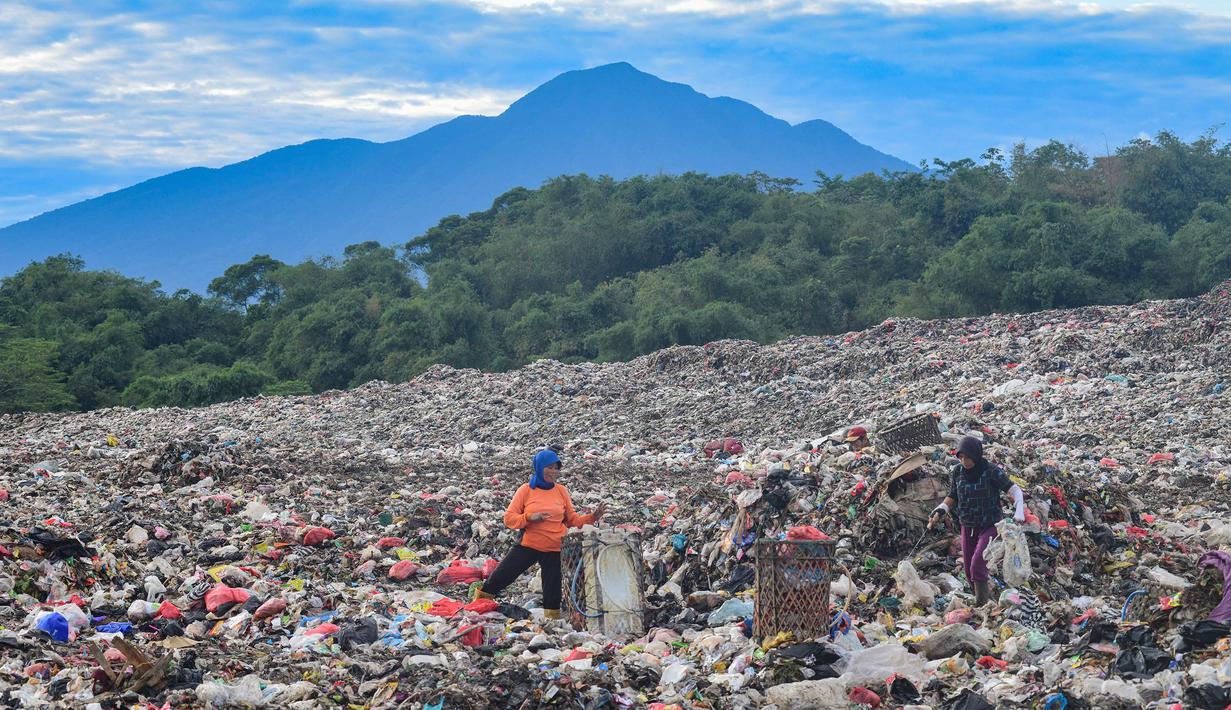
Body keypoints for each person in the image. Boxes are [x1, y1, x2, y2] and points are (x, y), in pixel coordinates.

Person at [474, 449, 606, 618]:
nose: (554, 472)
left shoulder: (561, 491)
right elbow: (509, 519)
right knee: (500, 577)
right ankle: (476, 608)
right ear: (539, 467)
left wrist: (592, 517)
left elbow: (572, 520)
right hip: (528, 545)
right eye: (549, 467)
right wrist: (530, 517)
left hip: (554, 548)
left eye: (556, 468)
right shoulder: (526, 490)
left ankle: (552, 624)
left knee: (552, 592)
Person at [929, 436, 1025, 605]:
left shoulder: (991, 471)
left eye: (967, 457)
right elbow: (953, 496)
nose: (964, 461)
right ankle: (982, 598)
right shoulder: (958, 471)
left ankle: (982, 605)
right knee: (968, 570)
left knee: (977, 566)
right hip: (967, 525)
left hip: (990, 525)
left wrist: (1019, 511)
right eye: (961, 457)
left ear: (976, 455)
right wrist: (940, 509)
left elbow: (1015, 490)